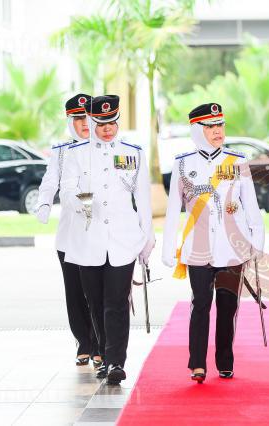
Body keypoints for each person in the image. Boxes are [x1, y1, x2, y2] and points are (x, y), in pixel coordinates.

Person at [161, 103, 264, 383]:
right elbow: (173, 210)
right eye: (210, 126)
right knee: (201, 303)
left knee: (228, 306)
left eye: (220, 125)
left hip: (232, 249)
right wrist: (168, 247)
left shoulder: (238, 161)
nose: (218, 131)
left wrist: (257, 242)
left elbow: (251, 206)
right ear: (197, 130)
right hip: (198, 247)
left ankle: (225, 360)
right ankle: (197, 363)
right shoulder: (183, 163)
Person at [60, 95, 154, 385]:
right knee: (96, 302)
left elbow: (143, 199)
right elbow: (66, 191)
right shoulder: (75, 154)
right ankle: (102, 353)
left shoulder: (133, 153)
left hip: (123, 240)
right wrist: (82, 202)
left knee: (116, 302)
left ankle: (116, 362)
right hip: (88, 241)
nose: (108, 128)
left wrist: (148, 237)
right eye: (101, 124)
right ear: (92, 123)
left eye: (112, 122)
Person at [35, 93, 102, 368]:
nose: (84, 123)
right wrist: (43, 202)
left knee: (96, 292)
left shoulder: (104, 148)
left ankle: (99, 343)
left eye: (88, 117)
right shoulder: (62, 151)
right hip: (69, 234)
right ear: (69, 121)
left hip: (98, 233)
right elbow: (50, 181)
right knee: (74, 292)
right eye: (77, 118)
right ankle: (83, 342)